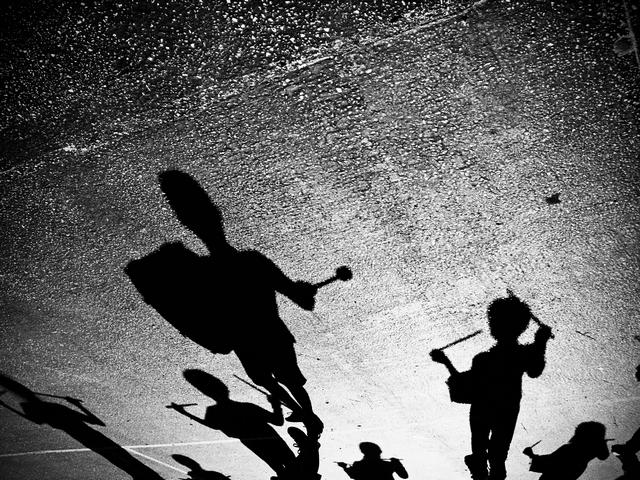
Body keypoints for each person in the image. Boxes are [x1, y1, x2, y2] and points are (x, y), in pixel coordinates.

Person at [158, 170, 323, 437]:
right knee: (286, 381)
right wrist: (304, 292)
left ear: (192, 230)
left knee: (268, 381)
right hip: (270, 333)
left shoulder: (203, 271)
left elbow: (197, 311)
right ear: (220, 224)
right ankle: (309, 417)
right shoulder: (251, 261)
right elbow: (300, 299)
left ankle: (307, 416)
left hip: (245, 339)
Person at [430, 292, 553, 480]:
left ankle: (477, 468)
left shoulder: (483, 359)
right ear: (522, 326)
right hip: (507, 409)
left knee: (483, 454)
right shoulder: (522, 353)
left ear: (493, 325)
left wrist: (445, 362)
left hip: (482, 409)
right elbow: (535, 370)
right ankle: (478, 468)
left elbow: (465, 386)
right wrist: (540, 342)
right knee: (497, 458)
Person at [168, 370, 295, 479]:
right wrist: (275, 405)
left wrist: (185, 413)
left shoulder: (213, 412)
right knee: (292, 464)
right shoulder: (247, 407)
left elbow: (211, 425)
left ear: (206, 393)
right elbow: (278, 421)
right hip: (269, 437)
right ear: (226, 389)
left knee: (278, 468)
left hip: (251, 442)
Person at [523, 422, 609, 479]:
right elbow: (603, 455)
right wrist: (602, 442)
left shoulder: (570, 449)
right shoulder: (587, 453)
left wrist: (531, 455)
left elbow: (549, 463)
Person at [337, 442, 408, 480]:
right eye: (379, 451)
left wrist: (345, 467)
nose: (380, 453)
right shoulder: (387, 465)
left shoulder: (359, 464)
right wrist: (397, 464)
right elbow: (404, 476)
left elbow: (354, 476)